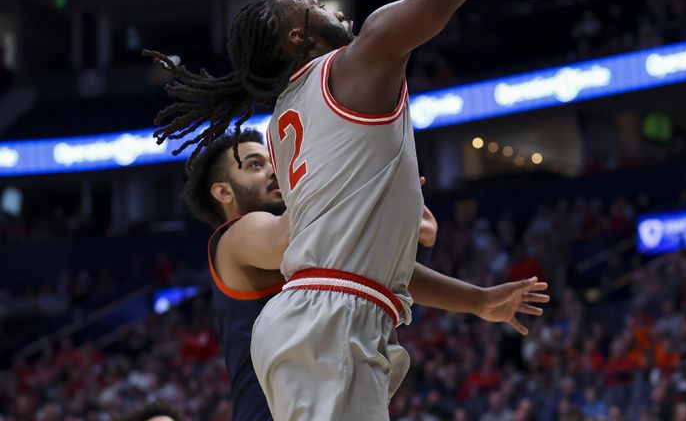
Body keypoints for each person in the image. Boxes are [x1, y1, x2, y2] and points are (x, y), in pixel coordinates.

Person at [145, 0, 567, 417]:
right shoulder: (358, 63)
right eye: (315, 5)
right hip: (327, 322)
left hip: (330, 318)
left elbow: (363, 254)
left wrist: (475, 300)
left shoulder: (287, 121)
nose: (332, 7)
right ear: (299, 36)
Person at [184, 129, 548, 420]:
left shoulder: (312, 244)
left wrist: (478, 300)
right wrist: (374, 198)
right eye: (254, 165)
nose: (273, 171)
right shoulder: (235, 237)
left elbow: (375, 271)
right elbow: (288, 234)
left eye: (272, 162)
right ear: (223, 192)